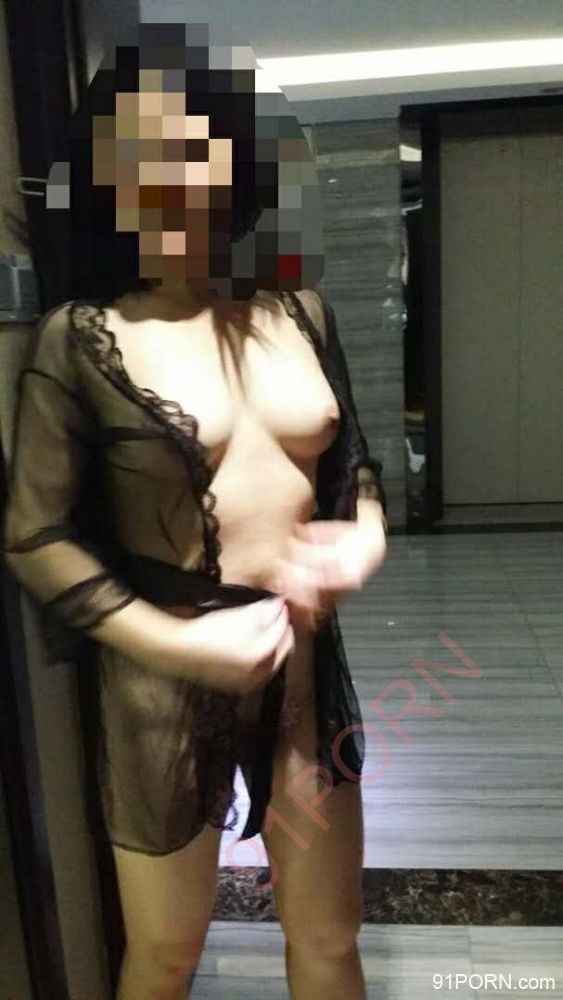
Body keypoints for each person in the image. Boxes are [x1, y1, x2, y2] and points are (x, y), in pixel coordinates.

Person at [2, 22, 389, 1000]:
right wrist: (177, 646)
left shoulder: (299, 312)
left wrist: (363, 541)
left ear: (233, 159)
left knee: (330, 935)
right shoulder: (80, 339)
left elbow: (357, 470)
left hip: (304, 671)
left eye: (190, 149)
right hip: (160, 685)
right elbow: (34, 536)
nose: (169, 181)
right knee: (166, 954)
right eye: (138, 158)